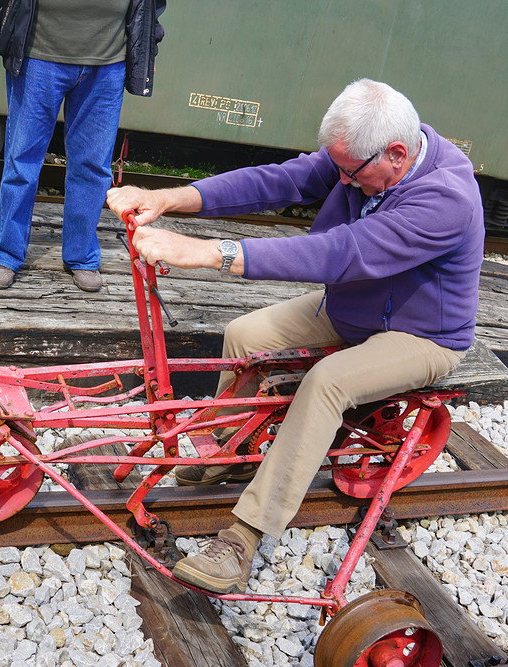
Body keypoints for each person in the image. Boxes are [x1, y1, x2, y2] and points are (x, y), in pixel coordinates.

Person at [106, 78, 484, 593]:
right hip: (353, 306)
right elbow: (276, 182)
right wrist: (169, 198)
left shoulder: (446, 197)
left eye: (351, 174)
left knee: (328, 382)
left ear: (397, 153)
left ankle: (246, 534)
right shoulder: (366, 155)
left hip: (421, 333)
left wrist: (211, 252)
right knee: (246, 334)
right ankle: (228, 450)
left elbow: (341, 252)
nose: (343, 182)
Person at [0, 0, 167, 293]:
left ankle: (82, 256)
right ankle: (6, 253)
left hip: (108, 62)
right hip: (37, 55)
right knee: (22, 160)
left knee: (93, 166)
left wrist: (147, 44)